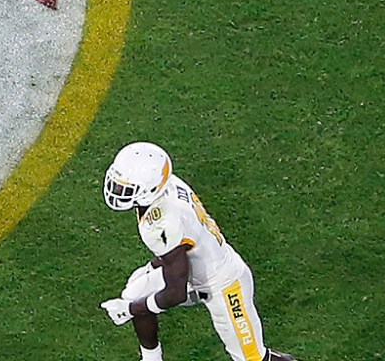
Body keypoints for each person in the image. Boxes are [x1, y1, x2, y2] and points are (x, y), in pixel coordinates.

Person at [99, 142, 300, 361]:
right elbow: (181, 246)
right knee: (136, 292)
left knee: (253, 359)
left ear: (150, 189)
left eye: (125, 188)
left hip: (223, 284)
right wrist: (150, 271)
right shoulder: (167, 187)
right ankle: (151, 358)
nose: (117, 191)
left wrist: (131, 309)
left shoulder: (162, 222)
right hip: (194, 269)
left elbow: (176, 293)